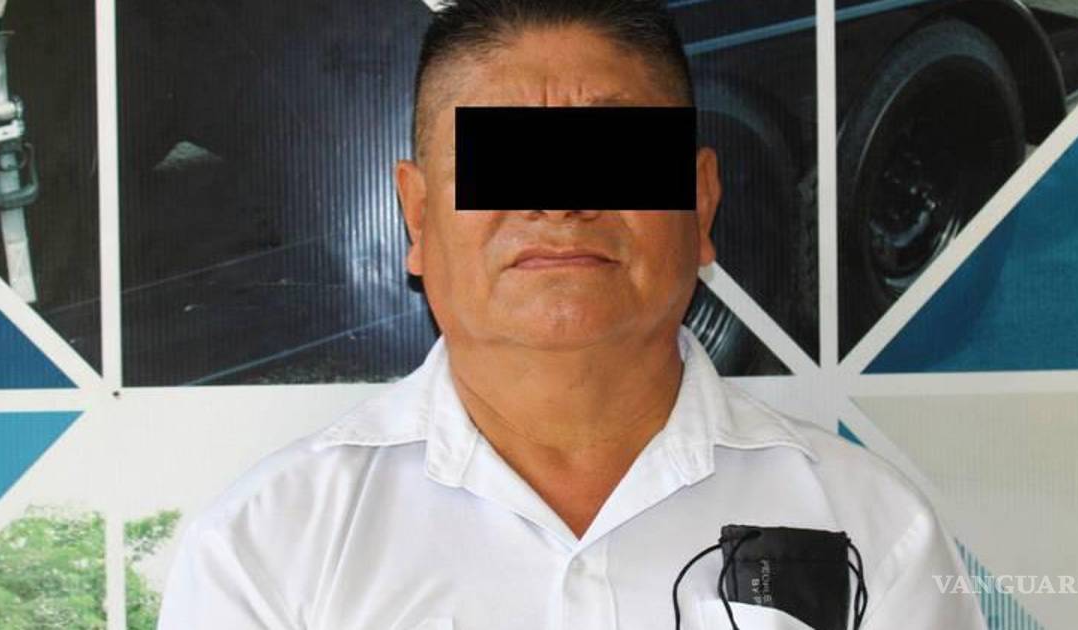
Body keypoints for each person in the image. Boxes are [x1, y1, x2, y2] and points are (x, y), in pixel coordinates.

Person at [157, 1, 987, 628]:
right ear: (417, 216)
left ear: (700, 203)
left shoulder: (877, 532)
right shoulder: (268, 551)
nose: (558, 202)